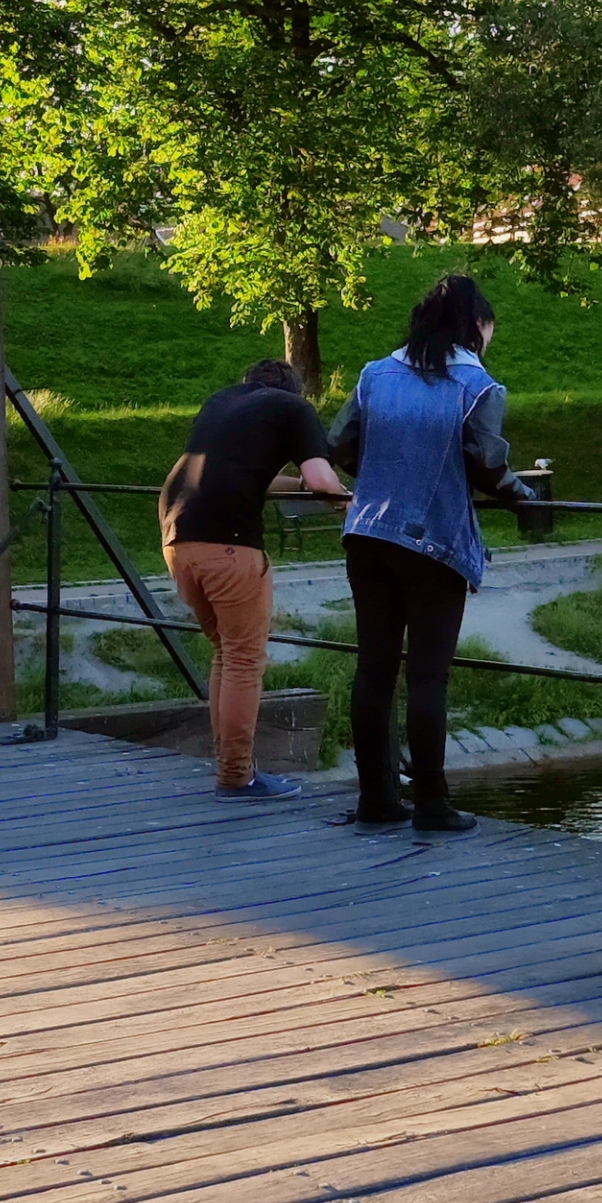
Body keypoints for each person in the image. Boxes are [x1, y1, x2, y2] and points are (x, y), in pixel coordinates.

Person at [328, 273, 527, 835]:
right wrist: (525, 497)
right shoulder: (479, 386)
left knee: (374, 669)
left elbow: (339, 444)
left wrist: (383, 471)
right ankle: (432, 805)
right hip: (433, 544)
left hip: (367, 535)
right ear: (476, 326)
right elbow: (488, 467)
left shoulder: (374, 374)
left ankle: (376, 800)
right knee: (428, 677)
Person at [159, 360, 349, 801]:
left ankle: (232, 767)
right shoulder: (294, 408)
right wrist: (349, 503)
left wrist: (300, 487)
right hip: (229, 543)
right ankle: (235, 776)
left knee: (226, 653)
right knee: (244, 659)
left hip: (177, 537)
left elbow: (247, 475)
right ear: (294, 389)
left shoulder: (222, 402)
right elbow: (321, 478)